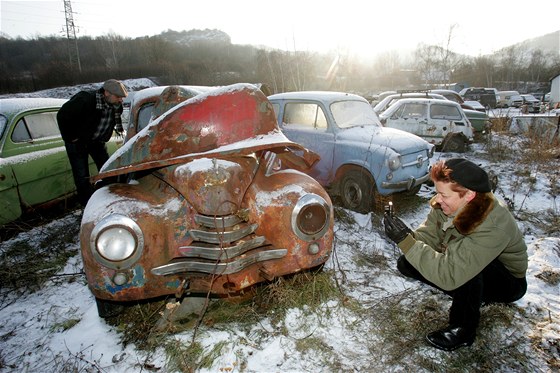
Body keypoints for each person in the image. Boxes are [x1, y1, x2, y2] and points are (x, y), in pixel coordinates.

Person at [383, 158, 528, 351]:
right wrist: (406, 236)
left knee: (465, 272)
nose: (438, 199)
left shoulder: (493, 223)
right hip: (466, 260)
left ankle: (463, 330)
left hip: (508, 282)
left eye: (443, 194)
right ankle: (473, 294)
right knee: (407, 263)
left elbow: (453, 271)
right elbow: (428, 236)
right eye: (437, 192)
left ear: (468, 195)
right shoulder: (446, 203)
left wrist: (408, 243)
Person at [57, 79, 128, 206]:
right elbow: (62, 115)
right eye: (118, 97)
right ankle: (88, 206)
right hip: (78, 142)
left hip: (97, 141)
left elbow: (112, 120)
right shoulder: (85, 99)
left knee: (107, 168)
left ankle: (110, 199)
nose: (121, 100)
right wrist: (70, 137)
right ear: (106, 93)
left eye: (122, 97)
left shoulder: (116, 105)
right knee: (82, 176)